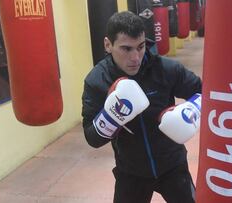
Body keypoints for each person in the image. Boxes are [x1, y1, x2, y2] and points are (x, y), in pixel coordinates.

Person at [81, 11, 202, 203]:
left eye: (141, 47)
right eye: (126, 49)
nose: (136, 57)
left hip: (173, 165)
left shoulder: (166, 69)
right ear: (107, 45)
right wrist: (111, 117)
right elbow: (92, 138)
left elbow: (205, 93)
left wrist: (191, 112)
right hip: (131, 172)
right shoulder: (97, 81)